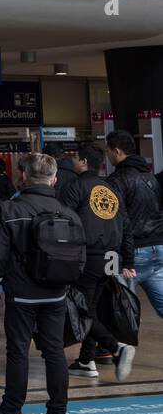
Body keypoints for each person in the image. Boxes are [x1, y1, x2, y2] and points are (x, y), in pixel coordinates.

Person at [0, 153, 82, 414]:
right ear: (54, 179)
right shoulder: (68, 212)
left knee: (18, 351)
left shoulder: (11, 210)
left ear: (23, 177)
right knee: (54, 352)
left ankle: (11, 410)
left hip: (22, 293)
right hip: (56, 293)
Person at [61, 144, 135, 380]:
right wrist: (129, 260)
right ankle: (86, 360)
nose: (74, 162)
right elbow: (126, 226)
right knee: (93, 307)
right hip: (112, 257)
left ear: (83, 162)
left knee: (82, 310)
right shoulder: (110, 189)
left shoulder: (75, 187)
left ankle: (116, 348)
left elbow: (63, 222)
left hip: (88, 257)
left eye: (75, 158)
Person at [105, 130, 163, 321]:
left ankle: (117, 348)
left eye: (109, 150)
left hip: (131, 253)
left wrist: (122, 260)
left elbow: (118, 222)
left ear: (118, 152)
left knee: (116, 304)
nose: (108, 154)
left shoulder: (116, 180)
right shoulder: (150, 178)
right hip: (158, 249)